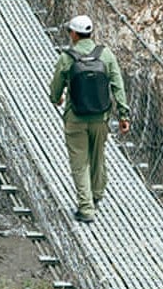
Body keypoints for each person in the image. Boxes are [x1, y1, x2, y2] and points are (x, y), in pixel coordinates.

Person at [48, 13, 130, 223]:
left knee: (79, 162)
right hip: (101, 117)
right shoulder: (106, 55)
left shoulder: (67, 58)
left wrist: (57, 99)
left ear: (74, 34)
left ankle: (86, 208)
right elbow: (117, 85)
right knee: (98, 156)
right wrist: (123, 114)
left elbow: (55, 90)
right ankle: (97, 195)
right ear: (90, 33)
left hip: (75, 118)